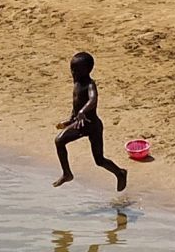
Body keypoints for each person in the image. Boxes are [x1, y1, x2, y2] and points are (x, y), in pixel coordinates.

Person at [53, 52, 128, 192]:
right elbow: (76, 102)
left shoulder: (89, 84)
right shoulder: (76, 82)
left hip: (93, 125)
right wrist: (70, 119)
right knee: (59, 141)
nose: (73, 72)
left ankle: (120, 173)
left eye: (76, 70)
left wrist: (83, 111)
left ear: (87, 70)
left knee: (99, 160)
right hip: (80, 124)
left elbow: (92, 100)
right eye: (72, 69)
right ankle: (67, 173)